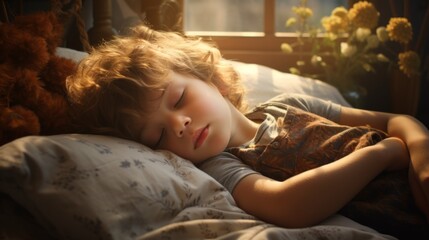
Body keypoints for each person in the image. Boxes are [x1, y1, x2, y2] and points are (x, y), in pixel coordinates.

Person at [66, 25, 429, 237]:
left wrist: (418, 149)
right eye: (157, 137)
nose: (178, 126)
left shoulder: (289, 104)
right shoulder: (221, 166)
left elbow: (396, 120)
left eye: (178, 99)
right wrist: (381, 155)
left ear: (210, 79)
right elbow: (287, 206)